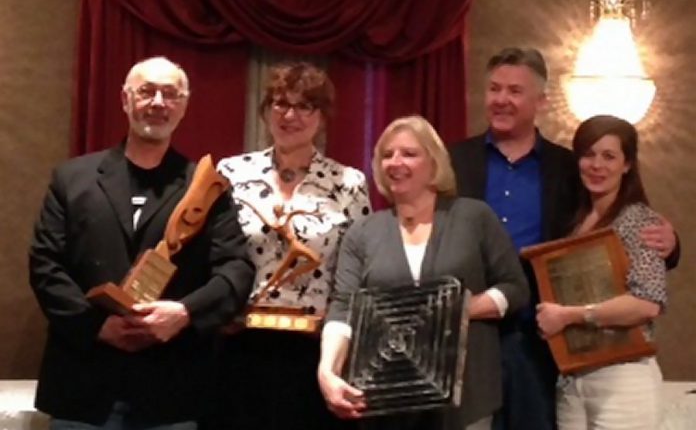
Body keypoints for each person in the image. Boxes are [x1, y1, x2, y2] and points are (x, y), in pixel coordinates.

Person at [448, 47, 679, 430]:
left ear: (540, 100)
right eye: (494, 89)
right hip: (468, 338)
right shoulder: (453, 161)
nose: (502, 99)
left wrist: (671, 243)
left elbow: (616, 225)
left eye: (515, 91)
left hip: (539, 343)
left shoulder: (569, 168)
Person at [29, 56, 255, 430]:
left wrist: (183, 314)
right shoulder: (72, 179)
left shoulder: (207, 187)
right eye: (147, 91)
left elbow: (237, 270)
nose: (158, 103)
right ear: (124, 99)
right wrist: (95, 326)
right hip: (83, 386)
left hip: (171, 390)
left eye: (171, 94)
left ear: (184, 105)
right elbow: (45, 265)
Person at [318, 115, 530, 430]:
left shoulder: (474, 217)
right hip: (386, 400)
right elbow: (343, 308)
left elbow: (515, 288)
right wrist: (327, 370)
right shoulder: (363, 232)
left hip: (466, 399)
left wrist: (458, 310)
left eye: (409, 153)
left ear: (434, 163)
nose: (395, 162)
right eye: (387, 155)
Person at [215, 61, 371, 430]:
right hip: (238, 344)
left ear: (323, 115)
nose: (290, 115)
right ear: (266, 111)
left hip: (315, 352)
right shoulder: (230, 173)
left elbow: (356, 276)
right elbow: (211, 255)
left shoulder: (349, 183)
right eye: (280, 103)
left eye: (305, 106)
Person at [536, 115, 667, 430]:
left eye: (609, 156)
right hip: (572, 378)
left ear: (627, 165)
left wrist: (568, 316)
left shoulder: (639, 220)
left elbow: (648, 303)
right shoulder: (571, 221)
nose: (597, 165)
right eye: (589, 154)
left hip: (624, 378)